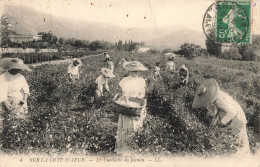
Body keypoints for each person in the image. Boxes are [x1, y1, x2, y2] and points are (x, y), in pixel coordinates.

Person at [192, 79, 250, 155]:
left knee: (239, 142)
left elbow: (232, 112)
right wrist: (214, 121)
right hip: (234, 113)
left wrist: (221, 123)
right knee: (238, 140)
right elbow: (219, 109)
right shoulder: (216, 96)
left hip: (237, 116)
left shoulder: (218, 100)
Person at [114, 61, 148, 155]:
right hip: (131, 107)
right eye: (135, 71)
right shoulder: (132, 81)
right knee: (130, 126)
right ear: (131, 71)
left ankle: (127, 147)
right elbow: (130, 95)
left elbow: (140, 94)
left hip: (130, 105)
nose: (137, 73)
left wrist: (138, 100)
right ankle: (127, 149)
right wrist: (128, 102)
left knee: (130, 126)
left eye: (138, 71)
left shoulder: (135, 80)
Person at [0, 58, 32, 132]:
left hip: (20, 100)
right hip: (8, 100)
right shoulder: (3, 77)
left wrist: (24, 99)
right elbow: (2, 93)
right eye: (16, 69)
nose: (18, 70)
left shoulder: (20, 77)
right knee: (11, 121)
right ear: (11, 67)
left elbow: (26, 89)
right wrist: (6, 103)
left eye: (19, 69)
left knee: (22, 120)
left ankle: (21, 132)